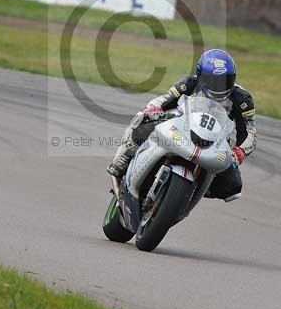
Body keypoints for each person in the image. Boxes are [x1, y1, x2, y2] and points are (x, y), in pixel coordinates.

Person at [107, 49, 256, 201]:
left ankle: (195, 188)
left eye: (226, 80)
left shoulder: (242, 98)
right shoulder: (188, 83)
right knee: (143, 121)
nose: (218, 86)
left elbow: (249, 131)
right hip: (182, 126)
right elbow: (165, 100)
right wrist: (153, 109)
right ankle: (124, 157)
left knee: (233, 187)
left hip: (215, 140)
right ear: (201, 76)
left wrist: (240, 152)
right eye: (213, 81)